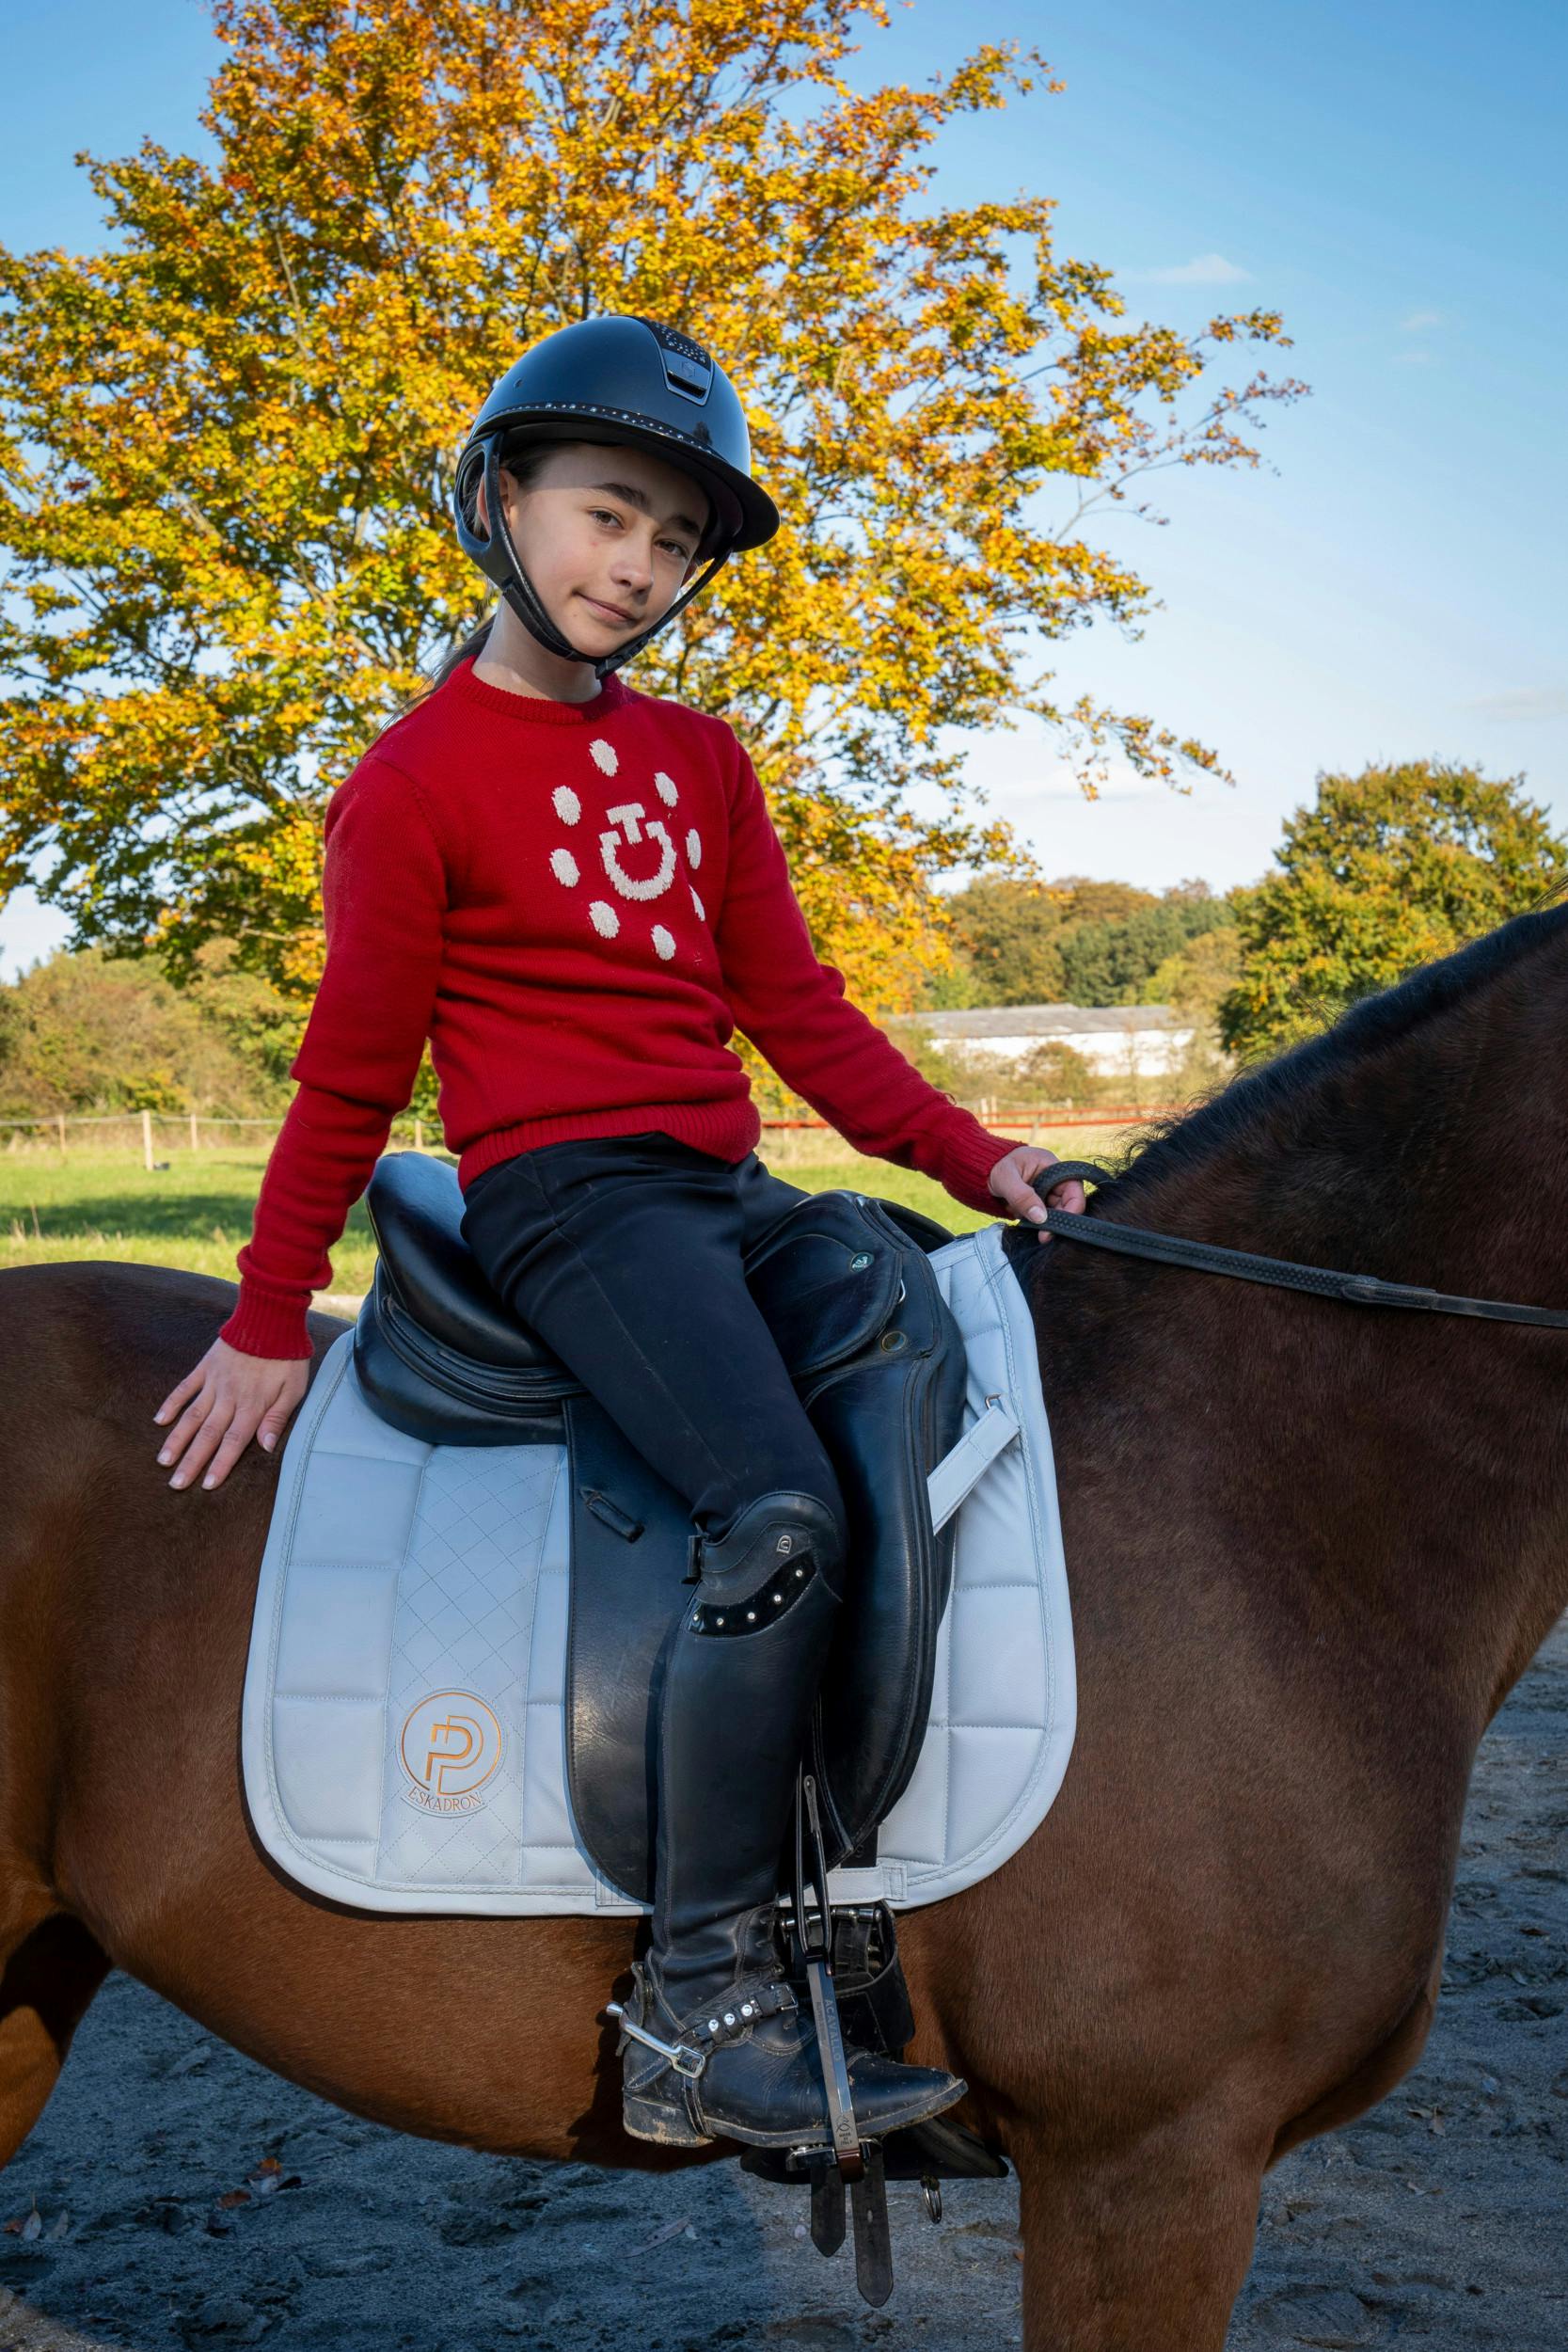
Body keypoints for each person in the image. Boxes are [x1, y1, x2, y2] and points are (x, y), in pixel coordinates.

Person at [153, 315, 1085, 2152]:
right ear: (501, 498)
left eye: (671, 539)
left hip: (722, 1189)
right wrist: (272, 1313)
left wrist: (981, 1159)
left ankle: (873, 1870)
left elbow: (797, 1012)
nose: (636, 566)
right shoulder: (413, 783)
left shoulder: (705, 764)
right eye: (605, 513)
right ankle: (702, 1992)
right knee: (777, 1508)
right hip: (570, 1200)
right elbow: (348, 1083)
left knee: (915, 1334)